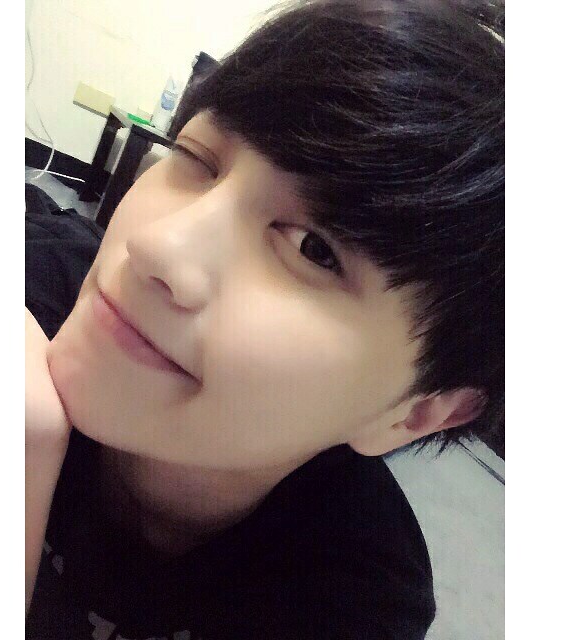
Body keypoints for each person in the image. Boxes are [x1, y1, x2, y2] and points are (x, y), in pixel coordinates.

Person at [25, 0, 504, 638]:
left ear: (417, 413)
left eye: (314, 249)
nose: (158, 245)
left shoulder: (353, 598)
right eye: (197, 156)